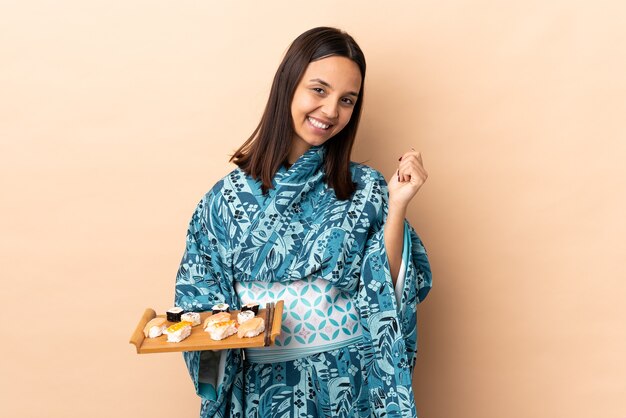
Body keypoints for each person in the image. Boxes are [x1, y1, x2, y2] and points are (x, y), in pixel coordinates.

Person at [174, 26, 432, 418]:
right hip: (262, 389)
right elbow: (200, 302)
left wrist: (397, 207)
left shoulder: (365, 188)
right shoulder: (223, 201)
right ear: (288, 85)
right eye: (319, 90)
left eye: (347, 100)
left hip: (349, 385)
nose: (331, 111)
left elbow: (385, 291)